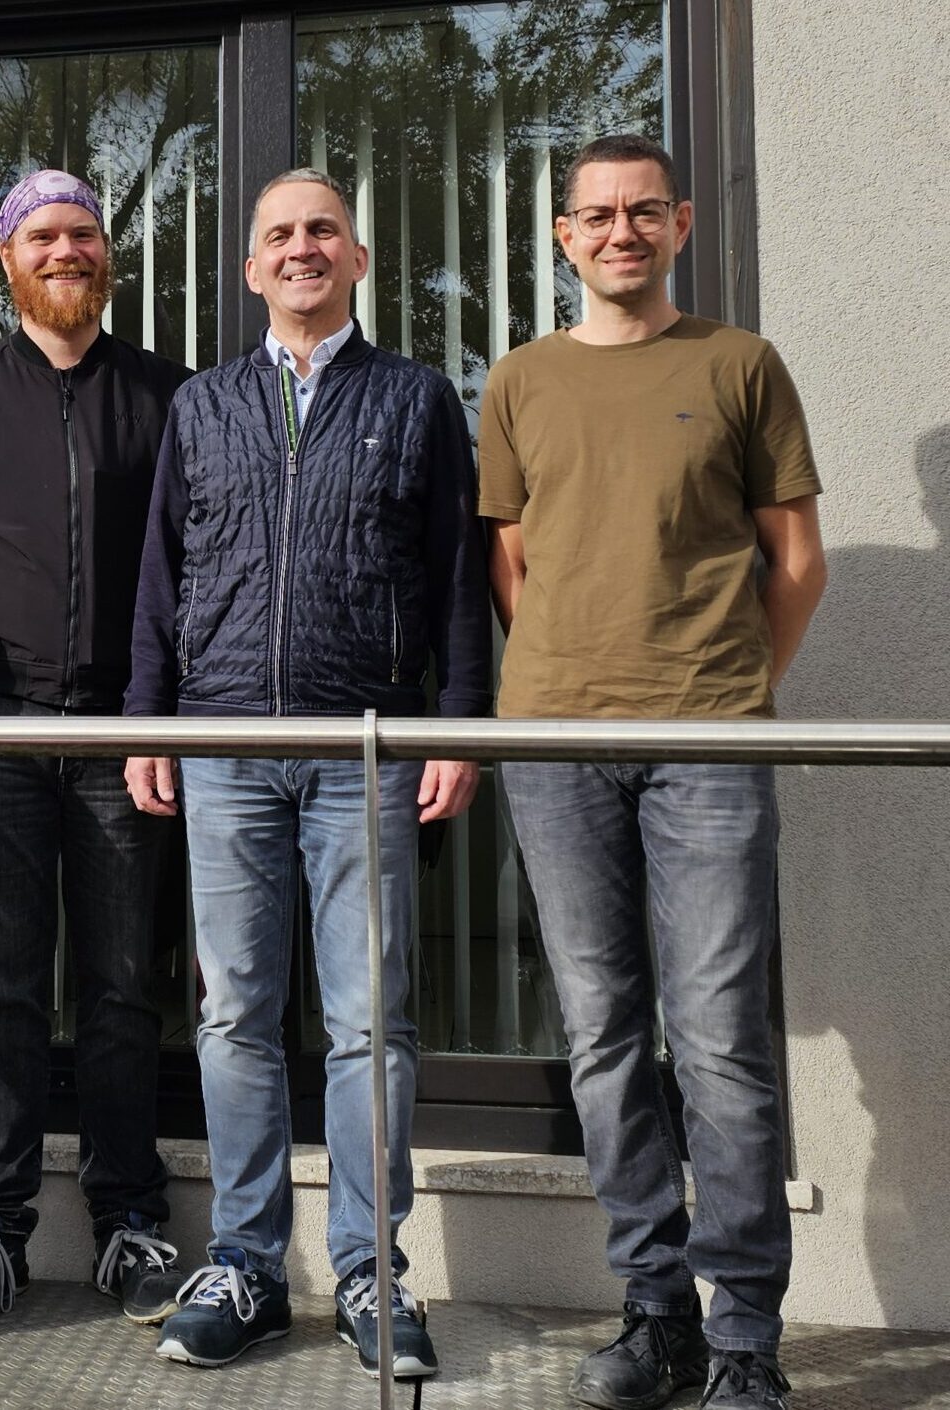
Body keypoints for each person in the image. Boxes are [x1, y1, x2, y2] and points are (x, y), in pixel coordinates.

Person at [480, 134, 826, 1410]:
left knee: (724, 1040)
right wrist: (575, 678)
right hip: (557, 746)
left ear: (680, 223)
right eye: (595, 215)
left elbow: (796, 561)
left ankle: (745, 1332)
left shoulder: (740, 365)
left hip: (709, 745)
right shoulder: (518, 379)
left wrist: (734, 690)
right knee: (603, 1036)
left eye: (642, 213)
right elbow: (513, 563)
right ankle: (654, 1309)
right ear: (563, 236)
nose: (619, 232)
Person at [125, 167, 490, 1373]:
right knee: (232, 1013)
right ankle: (243, 1264)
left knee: (368, 1020)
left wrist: (458, 725)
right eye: (277, 234)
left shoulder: (419, 397)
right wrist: (149, 720)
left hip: (366, 746)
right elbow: (161, 580)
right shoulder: (204, 405)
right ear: (248, 269)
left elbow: (451, 579)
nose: (300, 249)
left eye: (321, 230)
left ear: (358, 257)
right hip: (223, 746)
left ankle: (367, 1271)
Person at [0, 169, 193, 1330]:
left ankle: (131, 1223)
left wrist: (164, 716)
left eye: (82, 234)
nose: (65, 251)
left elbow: (192, 565)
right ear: (5, 259)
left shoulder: (171, 396)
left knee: (127, 988)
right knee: (7, 989)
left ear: (106, 255)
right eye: (43, 236)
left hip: (127, 731)